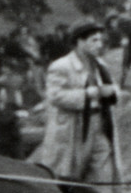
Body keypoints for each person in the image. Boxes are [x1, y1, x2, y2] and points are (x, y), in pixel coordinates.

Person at [34, 19, 120, 184]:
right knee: (70, 176)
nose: (99, 44)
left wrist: (112, 92)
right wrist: (89, 94)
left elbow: (111, 87)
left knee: (103, 173)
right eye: (94, 40)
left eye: (100, 40)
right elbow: (55, 96)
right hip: (74, 127)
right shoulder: (61, 66)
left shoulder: (100, 65)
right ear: (80, 42)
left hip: (100, 123)